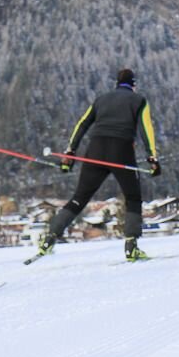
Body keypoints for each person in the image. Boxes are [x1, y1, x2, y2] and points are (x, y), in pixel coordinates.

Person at [38, 68, 160, 262]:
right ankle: (131, 246)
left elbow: (82, 124)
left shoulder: (101, 99)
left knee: (80, 197)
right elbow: (147, 129)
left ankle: (49, 238)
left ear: (117, 84)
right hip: (121, 150)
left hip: (96, 150)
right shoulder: (139, 101)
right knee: (133, 198)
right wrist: (152, 158)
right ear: (134, 84)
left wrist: (70, 153)